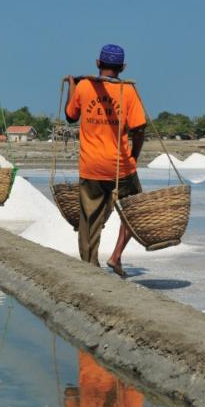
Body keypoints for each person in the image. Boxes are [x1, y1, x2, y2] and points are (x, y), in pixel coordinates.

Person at [65, 44, 146, 277]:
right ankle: (116, 255)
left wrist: (72, 85)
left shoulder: (84, 86)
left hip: (90, 166)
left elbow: (70, 117)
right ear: (122, 67)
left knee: (89, 220)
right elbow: (139, 129)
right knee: (135, 211)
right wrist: (134, 156)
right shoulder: (128, 91)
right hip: (121, 166)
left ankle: (89, 266)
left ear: (98, 63)